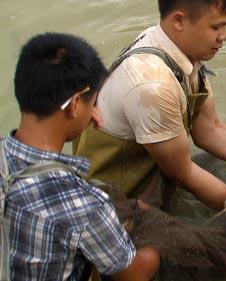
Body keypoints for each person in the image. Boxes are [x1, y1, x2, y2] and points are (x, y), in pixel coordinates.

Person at [74, 0, 226, 210]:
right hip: (110, 206)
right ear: (179, 21)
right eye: (215, 27)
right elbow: (182, 174)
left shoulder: (179, 47)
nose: (225, 36)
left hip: (157, 171)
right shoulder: (152, 85)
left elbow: (210, 130)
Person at [1, 33, 159, 281]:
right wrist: (155, 248)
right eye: (93, 102)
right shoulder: (85, 204)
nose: (95, 111)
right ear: (75, 104)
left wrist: (76, 119)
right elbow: (135, 274)